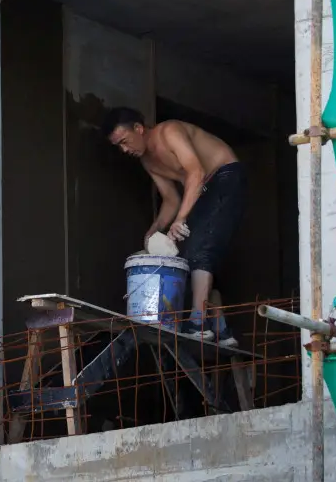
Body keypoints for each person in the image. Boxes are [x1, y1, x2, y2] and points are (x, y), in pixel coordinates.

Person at [102, 106, 246, 345]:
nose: (125, 150)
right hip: (202, 191)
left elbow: (196, 172)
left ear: (139, 128)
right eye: (119, 146)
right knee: (191, 257)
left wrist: (180, 219)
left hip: (225, 177)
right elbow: (171, 199)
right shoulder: (147, 161)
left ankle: (198, 324)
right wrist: (154, 229)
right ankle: (222, 330)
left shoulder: (169, 131)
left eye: (125, 142)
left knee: (202, 249)